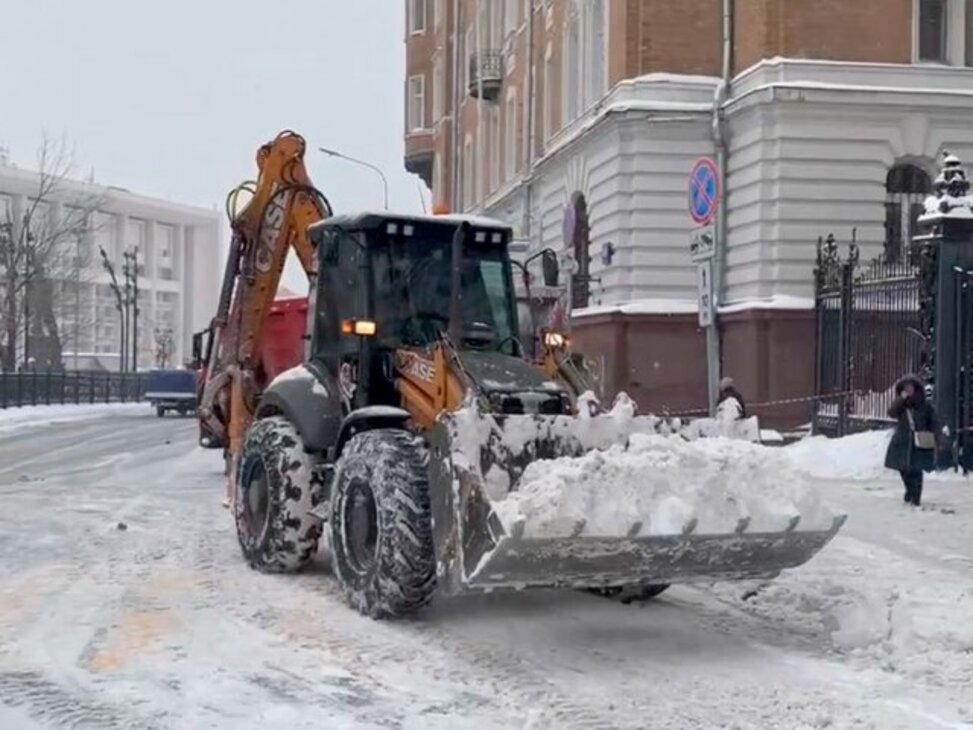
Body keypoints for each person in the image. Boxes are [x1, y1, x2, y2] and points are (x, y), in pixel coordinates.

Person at [884, 374, 943, 507]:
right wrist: (901, 398)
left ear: (916, 388)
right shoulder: (902, 404)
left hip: (919, 442)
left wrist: (938, 438)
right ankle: (909, 491)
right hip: (902, 441)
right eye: (905, 387)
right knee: (903, 469)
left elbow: (934, 422)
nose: (908, 389)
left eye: (910, 387)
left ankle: (915, 498)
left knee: (916, 470)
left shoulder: (924, 405)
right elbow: (892, 412)